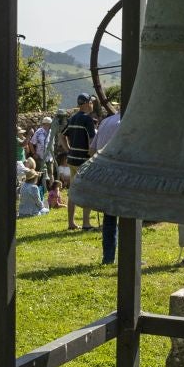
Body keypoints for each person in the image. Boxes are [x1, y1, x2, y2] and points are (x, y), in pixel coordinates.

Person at [93, 100, 123, 264]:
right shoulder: (125, 123)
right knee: (128, 217)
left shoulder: (105, 122)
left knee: (109, 218)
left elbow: (92, 149)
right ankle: (128, 256)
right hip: (122, 175)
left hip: (104, 175)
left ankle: (108, 257)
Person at [62, 94, 97, 232]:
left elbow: (61, 135)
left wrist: (68, 150)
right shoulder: (87, 119)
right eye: (92, 102)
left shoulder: (73, 118)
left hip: (72, 159)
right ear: (87, 103)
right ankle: (86, 224)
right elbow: (92, 141)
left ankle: (71, 223)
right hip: (83, 160)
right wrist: (92, 156)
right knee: (86, 191)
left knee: (73, 191)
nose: (93, 104)